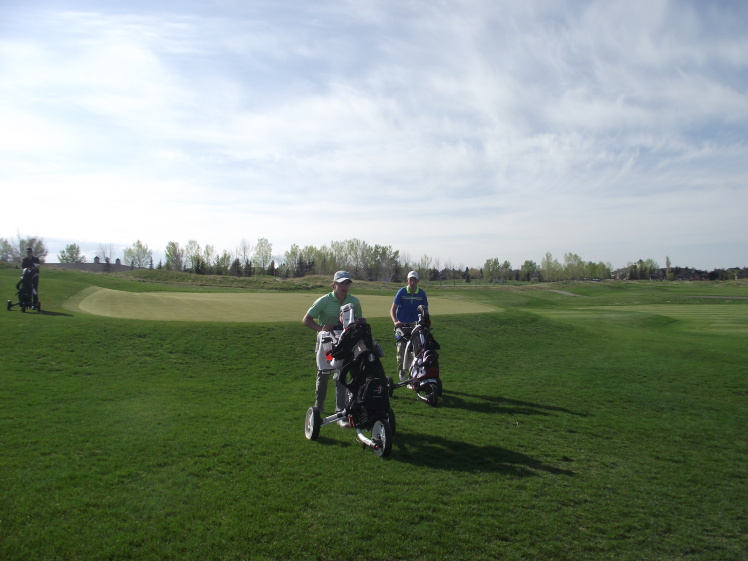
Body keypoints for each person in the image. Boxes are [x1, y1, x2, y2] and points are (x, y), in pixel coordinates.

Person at [302, 271, 363, 426]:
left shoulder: (354, 301)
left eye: (347, 283)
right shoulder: (324, 301)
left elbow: (360, 321)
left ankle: (340, 412)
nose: (344, 286)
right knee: (323, 373)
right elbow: (306, 320)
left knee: (341, 374)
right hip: (326, 344)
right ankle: (319, 407)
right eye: (341, 283)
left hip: (345, 344)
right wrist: (321, 328)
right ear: (334, 284)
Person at [390, 270, 428, 381]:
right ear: (407, 280)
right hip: (402, 325)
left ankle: (413, 372)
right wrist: (395, 321)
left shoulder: (422, 294)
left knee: (415, 350)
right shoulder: (401, 292)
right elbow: (392, 310)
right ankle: (402, 371)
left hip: (416, 325)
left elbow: (425, 310)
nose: (412, 282)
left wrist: (425, 322)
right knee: (401, 349)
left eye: (414, 280)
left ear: (417, 281)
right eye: (410, 279)